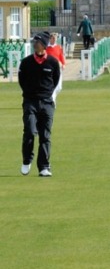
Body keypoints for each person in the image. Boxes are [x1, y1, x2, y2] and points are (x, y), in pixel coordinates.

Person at [19, 32, 62, 177]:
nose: (34, 44)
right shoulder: (26, 62)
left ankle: (44, 167)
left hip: (47, 103)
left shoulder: (53, 62)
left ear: (43, 45)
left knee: (45, 136)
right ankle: (26, 160)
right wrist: (31, 95)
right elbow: (22, 81)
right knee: (30, 132)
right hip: (30, 102)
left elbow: (55, 81)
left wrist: (47, 95)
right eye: (34, 42)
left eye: (37, 42)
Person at [45, 33, 67, 103]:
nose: (54, 40)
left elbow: (61, 56)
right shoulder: (46, 48)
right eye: (53, 38)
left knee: (59, 87)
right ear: (50, 39)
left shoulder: (58, 47)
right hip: (50, 68)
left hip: (58, 67)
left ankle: (52, 98)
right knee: (52, 84)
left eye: (55, 39)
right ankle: (52, 100)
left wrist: (63, 64)